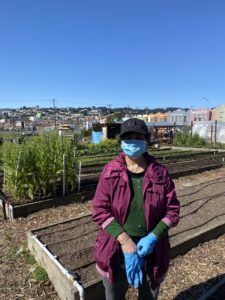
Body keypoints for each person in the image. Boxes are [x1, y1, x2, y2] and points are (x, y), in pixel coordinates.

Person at [92, 118, 180, 300]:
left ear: (147, 141)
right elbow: (100, 210)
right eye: (128, 137)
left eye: (138, 137)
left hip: (152, 252)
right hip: (115, 251)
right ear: (121, 142)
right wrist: (125, 241)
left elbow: (172, 211)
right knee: (114, 295)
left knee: (148, 296)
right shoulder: (110, 172)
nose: (133, 142)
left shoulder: (161, 174)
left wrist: (154, 236)